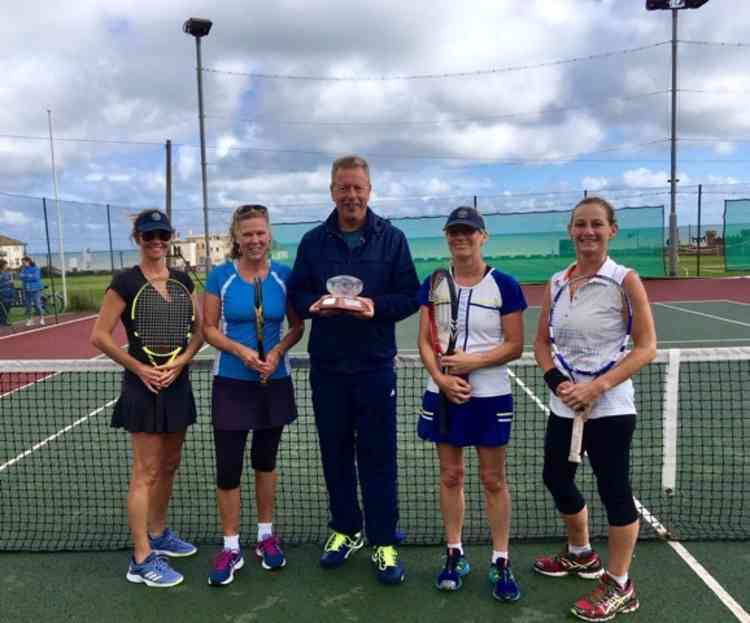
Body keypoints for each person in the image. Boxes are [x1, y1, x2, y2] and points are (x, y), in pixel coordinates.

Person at [289, 154, 420, 585]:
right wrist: (317, 304)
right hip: (327, 369)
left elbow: (409, 297)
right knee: (335, 455)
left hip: (375, 368)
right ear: (332, 191)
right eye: (343, 188)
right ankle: (345, 530)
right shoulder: (312, 242)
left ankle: (383, 539)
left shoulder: (393, 239)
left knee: (379, 457)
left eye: (358, 188)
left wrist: (374, 307)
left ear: (369, 189)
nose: (351, 196)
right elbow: (298, 294)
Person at [533, 197, 656, 621]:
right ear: (571, 231)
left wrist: (597, 387)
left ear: (611, 230)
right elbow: (541, 344)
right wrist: (559, 383)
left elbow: (646, 348)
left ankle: (621, 584)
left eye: (597, 225)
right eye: (580, 225)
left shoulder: (626, 280)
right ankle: (582, 554)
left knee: (615, 492)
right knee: (556, 478)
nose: (588, 231)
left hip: (611, 407)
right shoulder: (555, 282)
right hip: (564, 404)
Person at [416, 206, 526, 601]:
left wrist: (472, 363)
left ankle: (500, 559)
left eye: (469, 232)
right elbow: (425, 340)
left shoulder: (505, 285)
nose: (461, 238)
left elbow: (515, 345)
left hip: (490, 394)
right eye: (454, 232)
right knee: (450, 475)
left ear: (483, 237)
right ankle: (454, 552)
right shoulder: (433, 283)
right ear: (447, 237)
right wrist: (443, 379)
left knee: (493, 480)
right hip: (443, 392)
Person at [90, 209, 203, 588]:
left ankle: (158, 533)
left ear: (170, 237)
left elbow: (202, 331)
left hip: (178, 382)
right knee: (146, 471)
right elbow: (101, 336)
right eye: (148, 235)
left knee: (170, 463)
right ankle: (140, 557)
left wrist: (183, 361)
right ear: (137, 238)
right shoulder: (124, 282)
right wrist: (140, 369)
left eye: (163, 234)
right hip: (143, 387)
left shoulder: (184, 281)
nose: (156, 241)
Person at [202, 204, 304, 586]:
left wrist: (276, 353)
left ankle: (265, 537)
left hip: (274, 381)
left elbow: (296, 326)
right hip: (230, 382)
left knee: (265, 461)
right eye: (248, 234)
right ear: (237, 238)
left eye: (261, 233)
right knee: (229, 466)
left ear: (269, 235)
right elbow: (209, 329)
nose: (255, 240)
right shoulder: (220, 277)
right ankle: (230, 547)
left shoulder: (283, 276)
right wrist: (241, 352)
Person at [19, 256, 45, 327]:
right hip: (27, 289)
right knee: (28, 306)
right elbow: (20, 276)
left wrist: (26, 276)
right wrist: (28, 276)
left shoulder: (36, 268)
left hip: (36, 289)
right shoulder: (23, 269)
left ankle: (42, 318)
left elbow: (36, 278)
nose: (23, 264)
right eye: (23, 263)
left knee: (37, 304)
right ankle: (30, 319)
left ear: (29, 261)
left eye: (24, 262)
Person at [0, 260, 14, 326]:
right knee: (3, 308)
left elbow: (11, 283)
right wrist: (8, 282)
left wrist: (11, 282)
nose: (6, 266)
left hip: (9, 292)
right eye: (5, 265)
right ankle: (2, 321)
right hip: (3, 293)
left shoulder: (7, 273)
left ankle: (4, 321)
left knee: (8, 307)